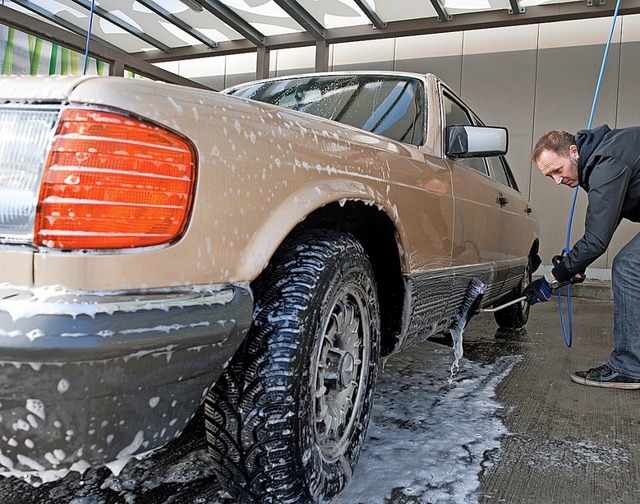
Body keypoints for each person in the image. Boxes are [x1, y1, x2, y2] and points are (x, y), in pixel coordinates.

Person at [523, 125, 640, 389]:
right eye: (549, 176)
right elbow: (606, 223)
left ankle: (628, 367)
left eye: (557, 170)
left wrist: (550, 279)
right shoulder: (606, 157)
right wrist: (574, 265)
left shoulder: (606, 162)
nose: (557, 180)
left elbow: (596, 241)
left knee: (629, 267)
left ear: (573, 151)